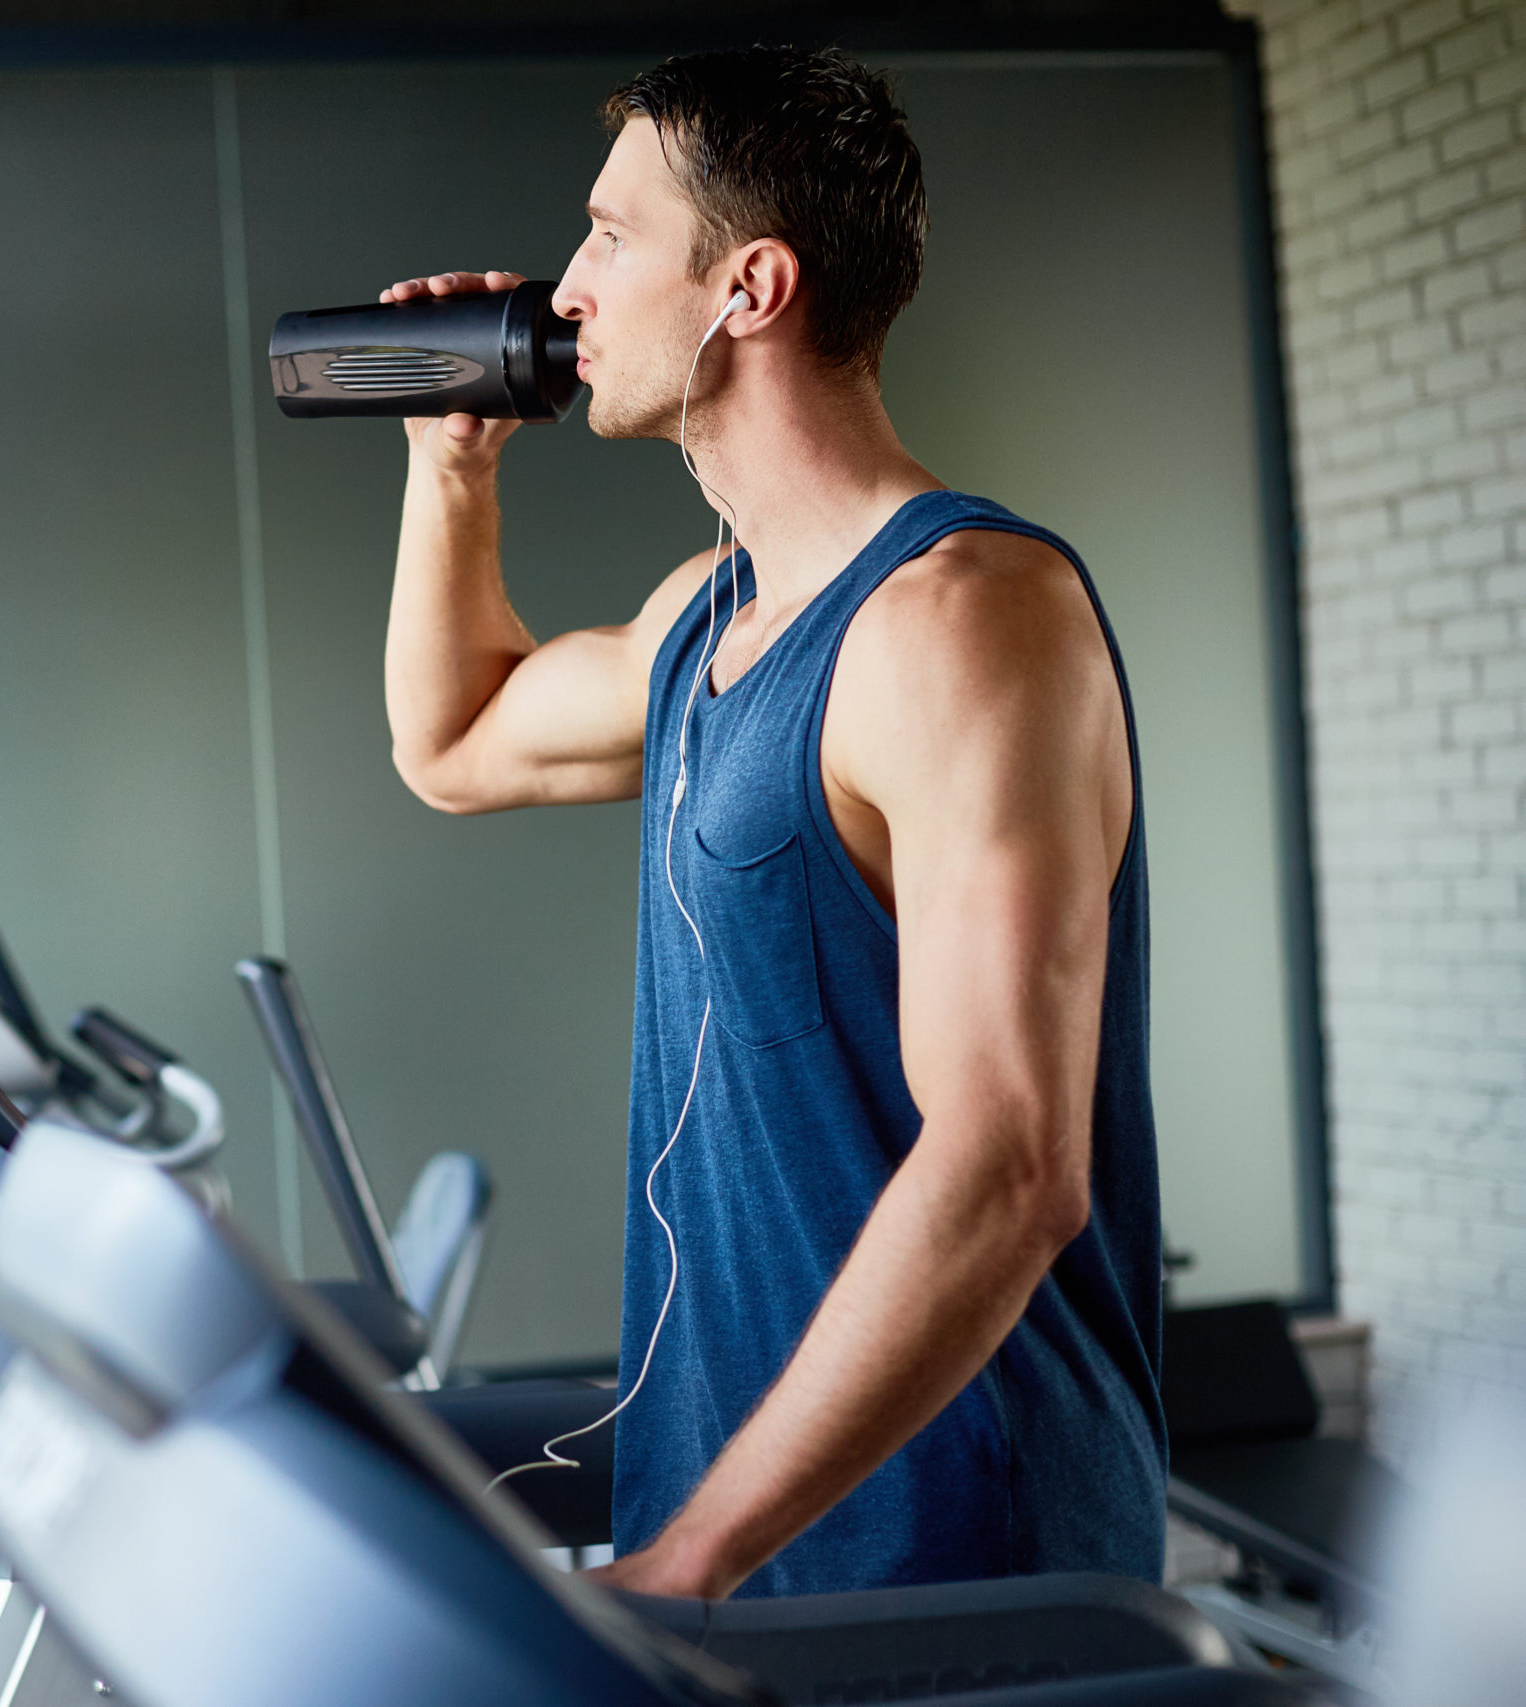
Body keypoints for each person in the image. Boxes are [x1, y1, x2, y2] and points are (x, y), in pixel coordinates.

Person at [380, 46, 1165, 1599]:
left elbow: (1011, 1160)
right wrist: (449, 463)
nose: (569, 288)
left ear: (750, 288)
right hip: (753, 1546)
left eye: (610, 236)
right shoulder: (710, 616)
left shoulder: (962, 621)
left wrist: (686, 1564)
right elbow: (456, 745)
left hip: (948, 1558)